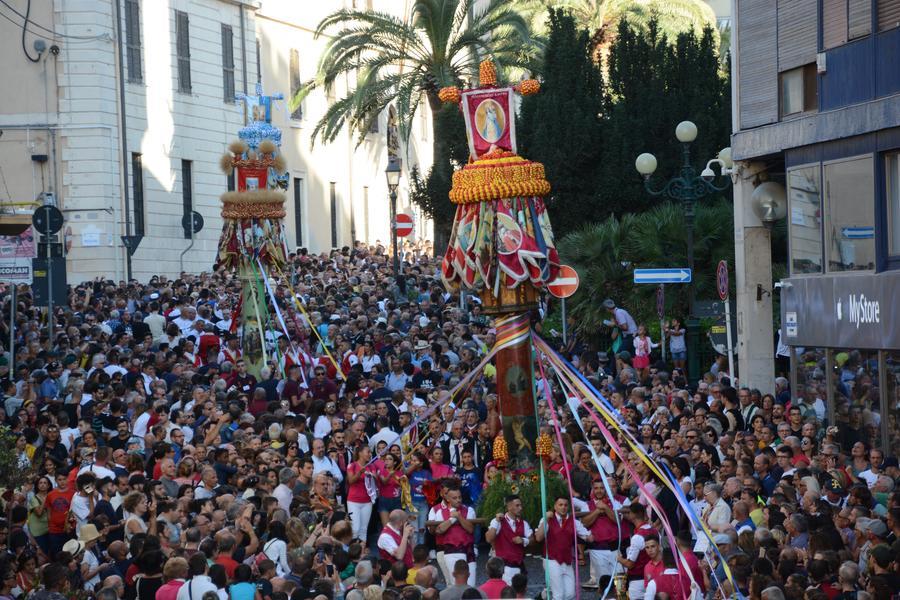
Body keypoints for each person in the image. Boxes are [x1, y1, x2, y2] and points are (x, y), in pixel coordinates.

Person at [534, 497, 592, 600]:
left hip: (567, 560)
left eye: (565, 505)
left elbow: (588, 537)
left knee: (570, 594)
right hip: (551, 560)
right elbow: (538, 538)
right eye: (560, 505)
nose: (563, 507)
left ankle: (544, 595)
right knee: (559, 595)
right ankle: (547, 593)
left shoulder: (573, 521)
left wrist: (591, 536)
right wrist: (546, 519)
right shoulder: (547, 519)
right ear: (555, 507)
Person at [428, 482, 477, 587]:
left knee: (471, 586)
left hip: (469, 551)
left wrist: (459, 517)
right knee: (455, 585)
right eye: (455, 498)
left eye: (460, 497)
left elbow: (471, 529)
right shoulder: (438, 511)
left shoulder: (469, 510)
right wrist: (452, 519)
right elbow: (438, 530)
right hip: (451, 551)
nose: (458, 500)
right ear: (448, 499)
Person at [485, 495, 532, 585]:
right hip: (504, 568)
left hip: (520, 566)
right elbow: (488, 538)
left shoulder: (524, 523)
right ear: (509, 507)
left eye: (521, 505)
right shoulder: (498, 522)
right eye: (517, 506)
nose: (520, 508)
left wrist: (523, 540)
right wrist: (496, 521)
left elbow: (532, 539)